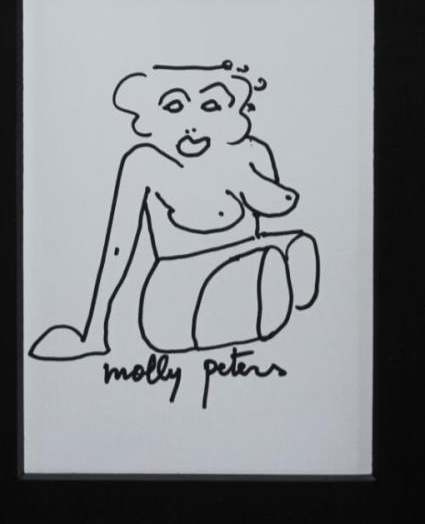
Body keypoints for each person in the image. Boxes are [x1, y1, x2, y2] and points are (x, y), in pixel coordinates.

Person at [28, 59, 319, 360]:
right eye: (174, 106)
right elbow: (118, 247)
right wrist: (94, 332)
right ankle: (264, 290)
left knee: (278, 251)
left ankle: (275, 277)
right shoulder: (143, 164)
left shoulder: (252, 152)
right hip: (180, 282)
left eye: (210, 106)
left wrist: (249, 183)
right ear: (149, 116)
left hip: (245, 255)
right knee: (236, 286)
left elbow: (279, 207)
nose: (193, 123)